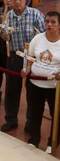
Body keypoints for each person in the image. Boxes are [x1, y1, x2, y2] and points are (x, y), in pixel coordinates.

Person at [0, 0, 45, 132]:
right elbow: (4, 31)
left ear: (26, 0)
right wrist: (5, 36)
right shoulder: (9, 15)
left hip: (31, 58)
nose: (17, 2)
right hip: (15, 56)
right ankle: (11, 120)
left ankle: (31, 124)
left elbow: (44, 35)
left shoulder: (35, 14)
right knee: (11, 90)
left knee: (32, 93)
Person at [24, 10, 60, 148]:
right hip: (35, 83)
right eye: (47, 21)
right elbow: (30, 56)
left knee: (56, 115)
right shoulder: (37, 38)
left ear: (59, 25)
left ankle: (52, 143)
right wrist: (27, 68)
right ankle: (34, 139)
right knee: (34, 113)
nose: (49, 24)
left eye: (53, 22)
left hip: (54, 86)